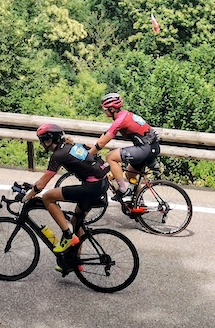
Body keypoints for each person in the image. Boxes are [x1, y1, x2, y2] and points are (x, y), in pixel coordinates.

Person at [20, 123, 110, 263]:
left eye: (42, 140)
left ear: (49, 140)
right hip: (101, 184)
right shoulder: (71, 146)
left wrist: (26, 197)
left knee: (47, 197)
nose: (42, 144)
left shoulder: (58, 155)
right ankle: (76, 261)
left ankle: (67, 235)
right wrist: (33, 188)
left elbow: (42, 184)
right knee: (76, 222)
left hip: (92, 187)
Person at [88, 92, 160, 201]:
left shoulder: (120, 121)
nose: (104, 111)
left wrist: (88, 155)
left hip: (146, 149)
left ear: (112, 109)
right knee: (130, 174)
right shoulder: (124, 114)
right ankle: (139, 202)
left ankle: (122, 190)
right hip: (151, 147)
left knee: (110, 157)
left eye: (105, 109)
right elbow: (105, 134)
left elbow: (102, 144)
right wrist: (94, 146)